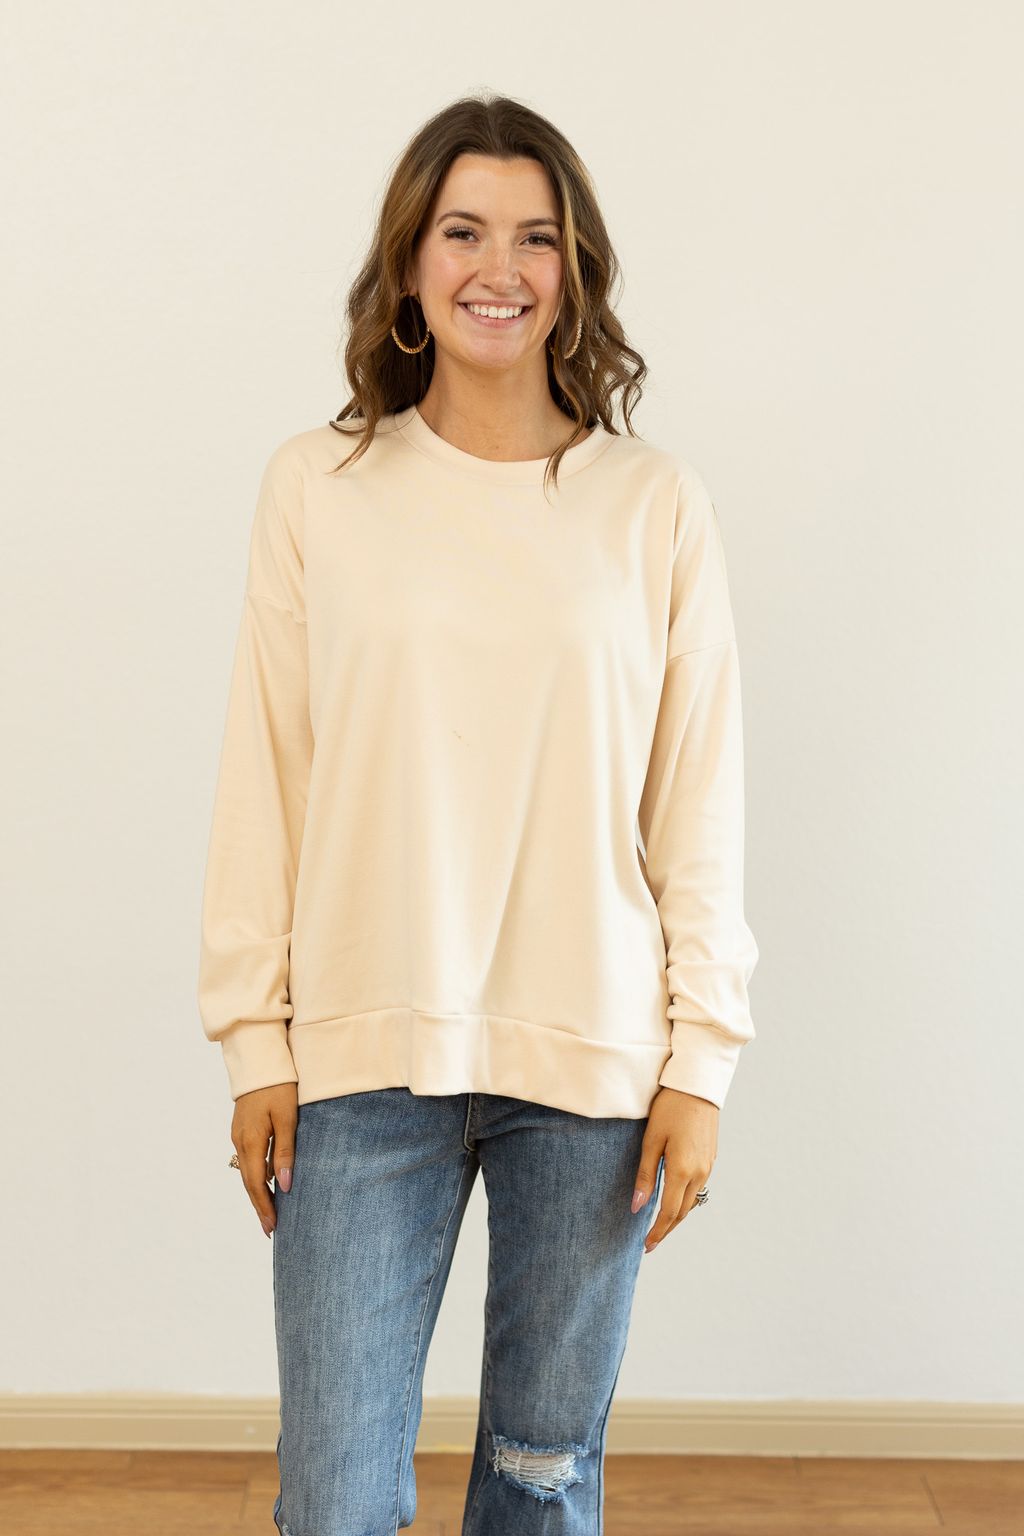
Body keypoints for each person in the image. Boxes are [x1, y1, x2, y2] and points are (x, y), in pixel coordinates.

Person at [197, 92, 759, 1536]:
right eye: (463, 232)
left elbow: (696, 802)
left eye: (535, 237)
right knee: (332, 1497)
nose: (498, 268)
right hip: (363, 1055)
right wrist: (255, 1039)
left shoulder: (653, 505)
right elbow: (269, 771)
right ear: (409, 261)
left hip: (593, 1062)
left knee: (540, 1479)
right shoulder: (319, 486)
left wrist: (701, 1063)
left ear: (576, 270)